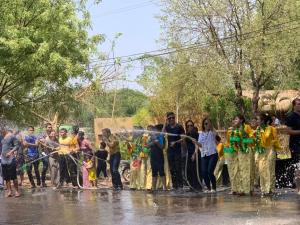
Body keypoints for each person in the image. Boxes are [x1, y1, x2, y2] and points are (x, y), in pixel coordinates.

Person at [224, 115, 254, 195]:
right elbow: (229, 142)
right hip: (234, 152)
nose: (234, 120)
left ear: (241, 120)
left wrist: (244, 137)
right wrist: (225, 152)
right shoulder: (231, 130)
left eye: (236, 119)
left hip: (246, 150)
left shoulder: (247, 127)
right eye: (234, 119)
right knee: (234, 171)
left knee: (247, 170)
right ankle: (236, 189)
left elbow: (251, 140)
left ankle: (248, 189)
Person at [255, 113, 280, 196]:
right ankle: (264, 189)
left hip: (270, 150)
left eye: (258, 119)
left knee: (270, 170)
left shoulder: (272, 129)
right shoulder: (258, 129)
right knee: (262, 170)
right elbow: (256, 141)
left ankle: (271, 189)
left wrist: (272, 144)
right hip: (261, 151)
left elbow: (276, 140)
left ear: (263, 121)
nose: (257, 121)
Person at [193, 118, 218, 192]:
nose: (206, 125)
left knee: (210, 171)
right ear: (203, 125)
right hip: (204, 155)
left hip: (213, 154)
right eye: (205, 123)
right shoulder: (201, 134)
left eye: (208, 123)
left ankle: (214, 188)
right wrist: (196, 142)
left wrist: (211, 126)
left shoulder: (212, 132)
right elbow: (200, 145)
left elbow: (216, 135)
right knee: (203, 172)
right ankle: (208, 188)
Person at [163, 112, 185, 190]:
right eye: (169, 118)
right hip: (170, 151)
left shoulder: (179, 127)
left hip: (177, 151)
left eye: (173, 117)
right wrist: (164, 124)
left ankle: (180, 185)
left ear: (174, 118)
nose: (171, 119)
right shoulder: (167, 127)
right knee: (172, 169)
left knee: (178, 168)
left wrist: (176, 142)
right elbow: (162, 134)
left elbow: (183, 137)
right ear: (168, 119)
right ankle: (175, 185)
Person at [1, 129, 20, 197]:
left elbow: (17, 146)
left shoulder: (12, 136)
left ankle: (17, 191)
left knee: (13, 176)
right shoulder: (2, 138)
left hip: (11, 159)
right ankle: (9, 191)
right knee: (6, 177)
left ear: (4, 130)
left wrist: (10, 152)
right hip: (3, 160)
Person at [286, 98, 300, 192]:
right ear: (294, 105)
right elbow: (288, 131)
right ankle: (299, 189)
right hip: (296, 145)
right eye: (298, 104)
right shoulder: (291, 116)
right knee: (298, 167)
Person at [148, 125, 167, 191]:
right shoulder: (150, 138)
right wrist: (153, 142)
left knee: (161, 171)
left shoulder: (161, 137)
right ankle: (153, 188)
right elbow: (147, 146)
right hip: (153, 157)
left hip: (160, 157)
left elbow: (162, 147)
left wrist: (157, 142)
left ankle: (165, 187)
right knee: (154, 172)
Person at [185, 120, 202, 191]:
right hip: (189, 154)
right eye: (188, 126)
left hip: (195, 154)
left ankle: (198, 187)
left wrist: (194, 154)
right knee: (189, 170)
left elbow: (197, 145)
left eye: (191, 125)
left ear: (193, 126)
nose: (189, 127)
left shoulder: (196, 134)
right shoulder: (187, 135)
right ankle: (192, 187)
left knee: (196, 170)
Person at [38, 123, 53, 187]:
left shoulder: (53, 134)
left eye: (50, 127)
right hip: (44, 154)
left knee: (53, 168)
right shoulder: (42, 135)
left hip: (52, 154)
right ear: (46, 128)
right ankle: (43, 182)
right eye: (49, 127)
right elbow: (40, 142)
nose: (50, 128)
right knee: (45, 168)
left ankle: (54, 182)